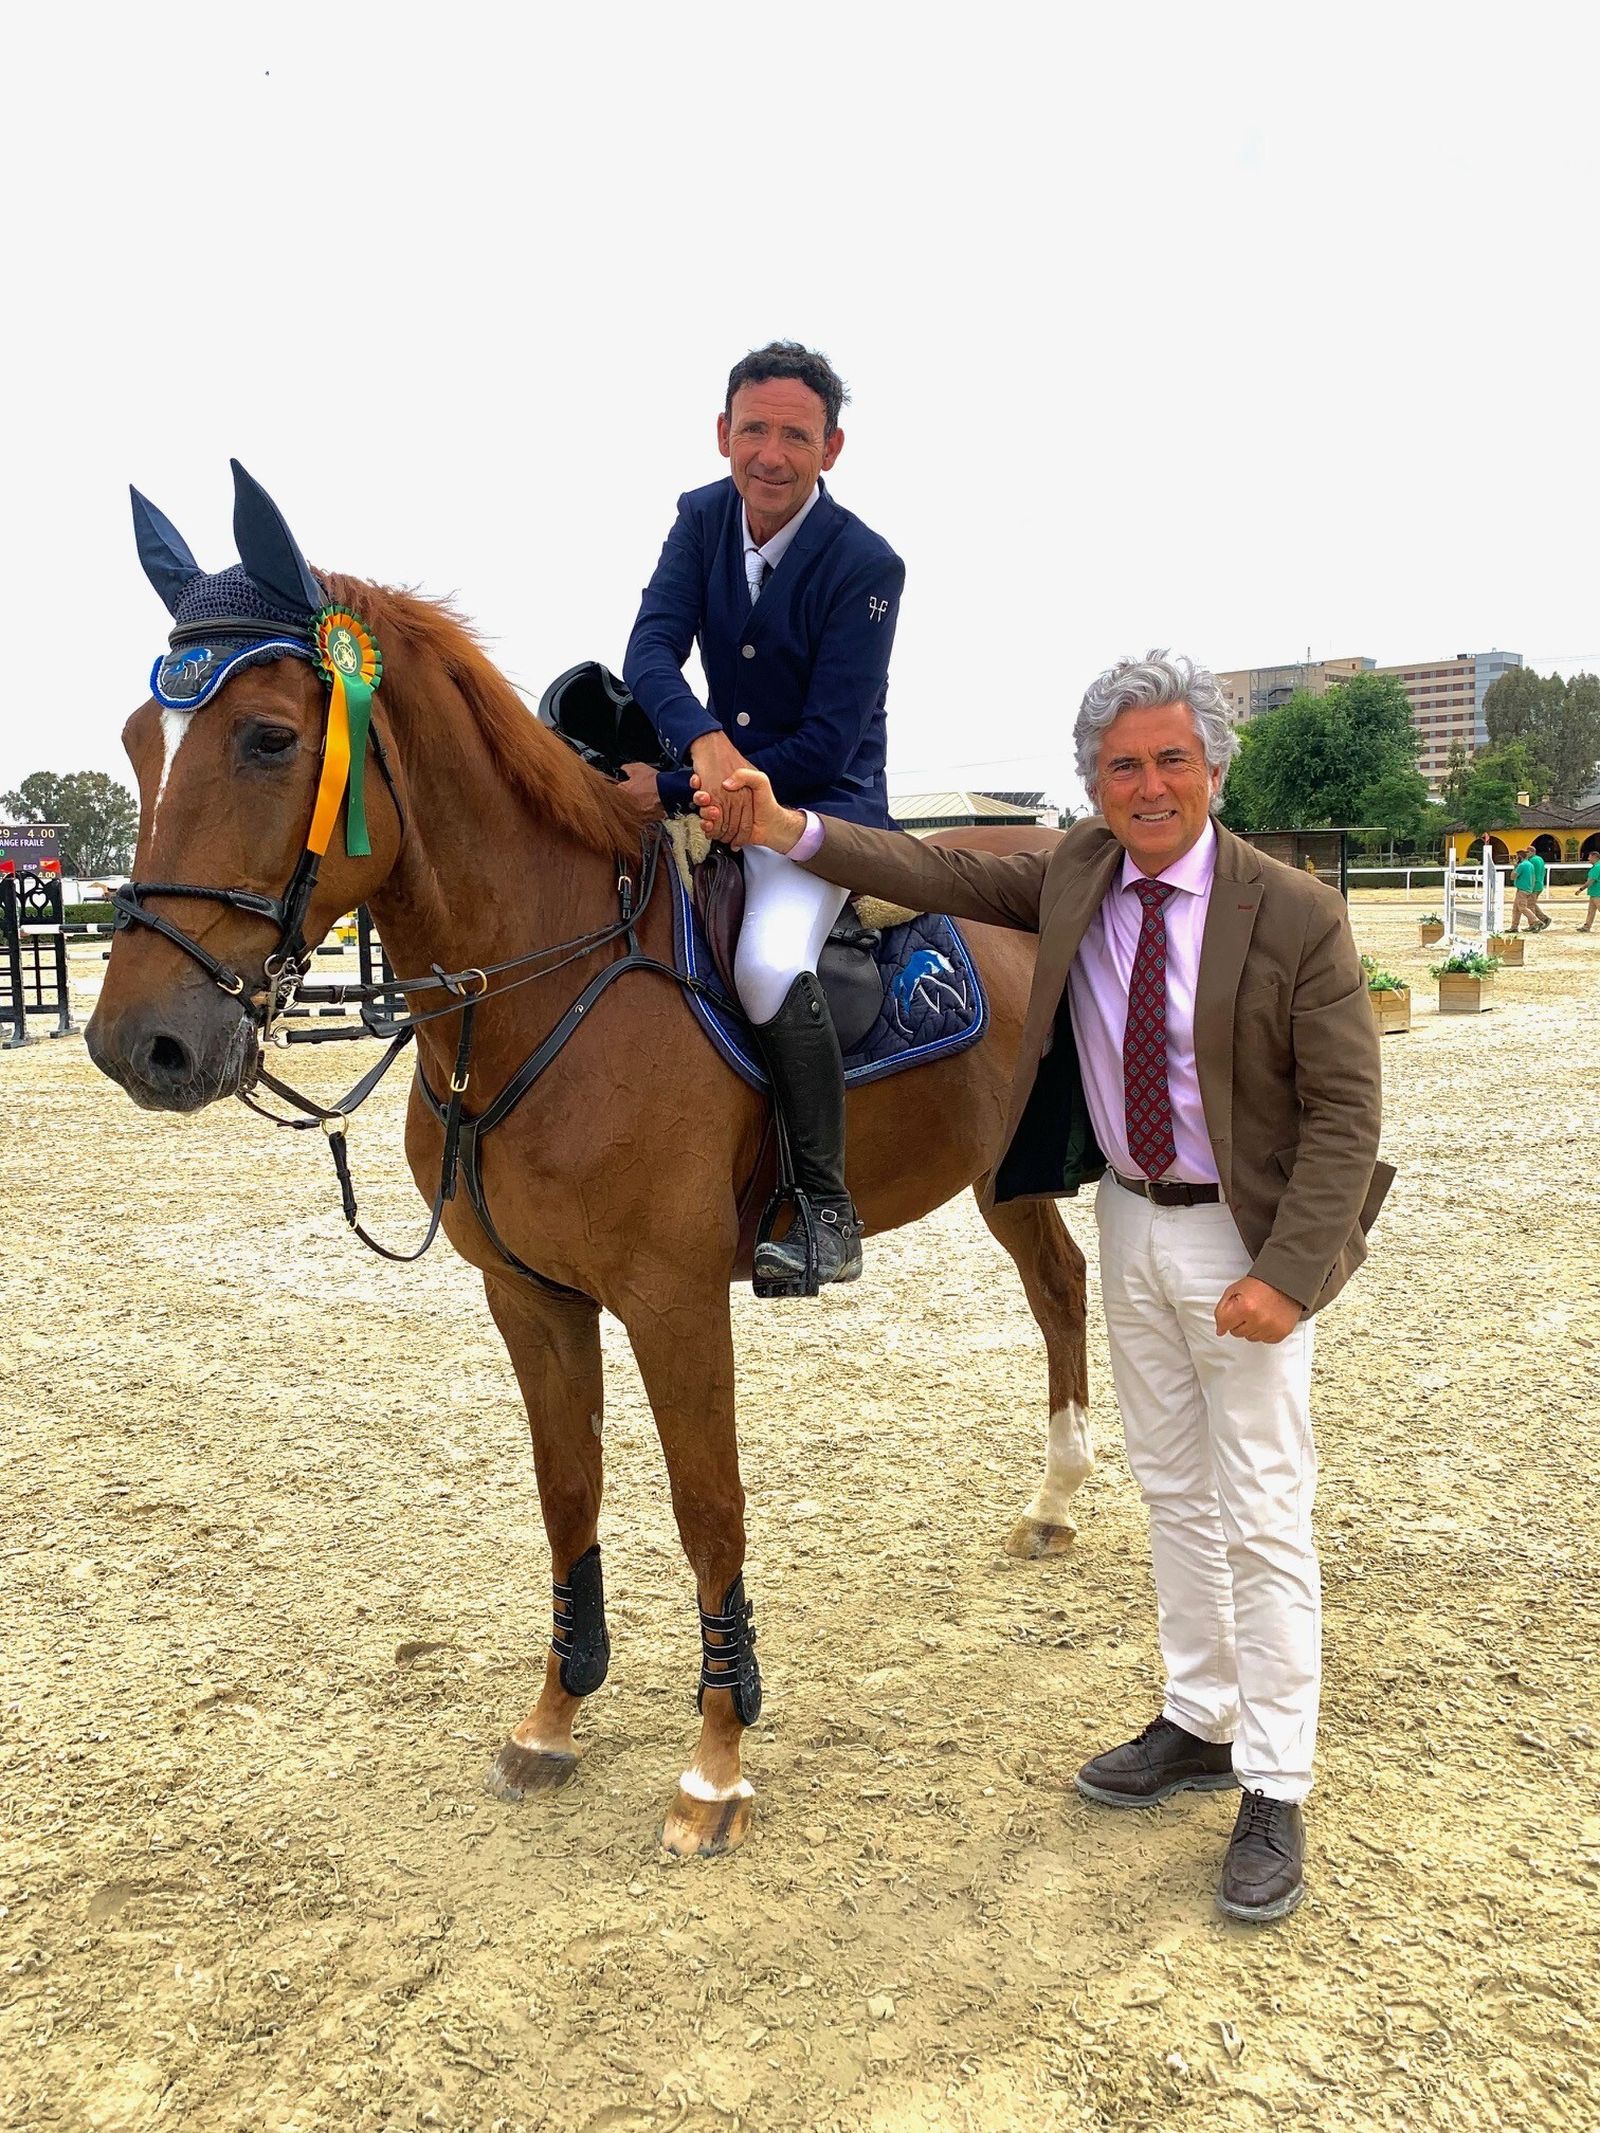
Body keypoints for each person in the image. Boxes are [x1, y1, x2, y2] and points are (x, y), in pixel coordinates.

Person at [696, 652, 1393, 1924]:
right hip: (1127, 1220)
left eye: (1170, 759)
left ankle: (1276, 1781)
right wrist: (792, 828)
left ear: (1214, 768)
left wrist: (1290, 1279)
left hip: (1240, 1241)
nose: (1147, 785)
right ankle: (1199, 1717)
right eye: (1121, 765)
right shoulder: (1079, 871)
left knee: (1263, 1510)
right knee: (1173, 1490)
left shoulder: (1292, 911)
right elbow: (932, 875)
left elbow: (1347, 1115)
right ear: (1092, 781)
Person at [620, 341, 905, 1292]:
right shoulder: (701, 518)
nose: (770, 455)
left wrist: (675, 786)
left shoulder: (866, 564)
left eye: (795, 436)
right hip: (711, 782)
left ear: (832, 448)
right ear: (722, 433)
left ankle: (825, 1207)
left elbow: (826, 743)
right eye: (753, 430)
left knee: (766, 964)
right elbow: (651, 650)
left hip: (817, 810)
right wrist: (698, 741)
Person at [1509, 851, 1540, 933]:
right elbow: (1533, 877)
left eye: (1517, 857)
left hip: (1522, 890)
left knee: (1522, 908)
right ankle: (1514, 926)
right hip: (1528, 889)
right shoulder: (1530, 864)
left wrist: (1515, 867)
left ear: (1520, 857)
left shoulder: (1521, 865)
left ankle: (1536, 921)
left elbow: (1512, 877)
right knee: (1516, 909)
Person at [1577, 852, 1600, 931]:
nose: (1588, 859)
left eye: (1589, 857)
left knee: (1592, 911)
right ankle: (1586, 927)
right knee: (1591, 911)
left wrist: (1581, 889)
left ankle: (1586, 927)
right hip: (1594, 893)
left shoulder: (1597, 867)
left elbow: (1590, 882)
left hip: (1597, 893)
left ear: (1594, 857)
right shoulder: (1597, 866)